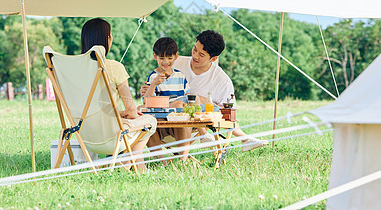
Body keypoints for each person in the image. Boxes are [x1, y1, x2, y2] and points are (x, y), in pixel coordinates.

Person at [141, 30, 268, 152]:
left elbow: (227, 112)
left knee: (200, 102)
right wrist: (147, 89)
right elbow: (155, 82)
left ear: (213, 59)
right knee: (190, 99)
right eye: (195, 49)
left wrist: (204, 101)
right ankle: (242, 139)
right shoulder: (174, 61)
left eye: (201, 55)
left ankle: (243, 139)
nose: (195, 56)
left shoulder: (222, 80)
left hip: (194, 122)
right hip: (168, 118)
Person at [81, 18, 157, 171]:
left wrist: (120, 114)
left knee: (134, 122)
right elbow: (131, 109)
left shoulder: (75, 69)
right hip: (110, 136)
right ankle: (128, 164)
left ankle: (136, 165)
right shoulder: (114, 67)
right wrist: (132, 114)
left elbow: (89, 108)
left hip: (84, 135)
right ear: (108, 39)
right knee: (150, 121)